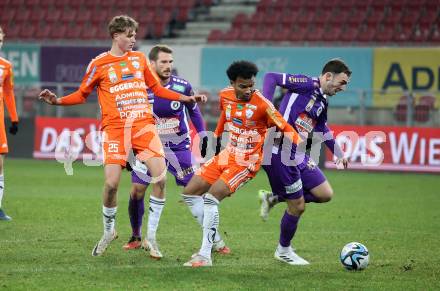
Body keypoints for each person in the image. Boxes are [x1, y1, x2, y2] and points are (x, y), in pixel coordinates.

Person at [38, 15, 206, 256]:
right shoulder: (99, 64)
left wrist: (185, 98)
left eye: (135, 35)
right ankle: (109, 231)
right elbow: (82, 94)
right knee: (111, 184)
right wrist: (58, 101)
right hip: (115, 129)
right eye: (129, 35)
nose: (134, 39)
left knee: (160, 179)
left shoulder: (139, 60)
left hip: (143, 127)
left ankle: (151, 238)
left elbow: (157, 89)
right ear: (116, 35)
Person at [181, 60, 302, 267]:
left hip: (247, 161)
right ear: (232, 83)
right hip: (228, 153)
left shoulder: (263, 104)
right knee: (189, 193)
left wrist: (300, 145)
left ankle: (205, 254)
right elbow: (225, 116)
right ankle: (217, 242)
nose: (248, 90)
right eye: (243, 86)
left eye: (251, 85)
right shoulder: (225, 95)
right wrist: (217, 136)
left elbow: (285, 126)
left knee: (210, 199)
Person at [122, 44, 229, 259]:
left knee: (194, 191)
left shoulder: (182, 87)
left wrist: (202, 136)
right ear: (151, 64)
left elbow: (195, 114)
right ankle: (136, 236)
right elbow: (128, 120)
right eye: (163, 62)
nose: (168, 66)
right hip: (148, 147)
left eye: (170, 62)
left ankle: (216, 240)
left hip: (178, 148)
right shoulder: (140, 88)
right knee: (136, 191)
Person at [258, 59, 351, 265]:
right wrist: (266, 106)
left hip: (296, 152)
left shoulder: (322, 101)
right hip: (278, 150)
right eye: (342, 82)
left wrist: (338, 153)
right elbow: (271, 77)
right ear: (328, 76)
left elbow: (322, 128)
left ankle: (273, 198)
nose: (343, 88)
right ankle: (283, 250)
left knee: (325, 194)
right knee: (298, 206)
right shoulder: (306, 84)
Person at [0, 26, 19, 221]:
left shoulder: (5, 66)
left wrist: (14, 118)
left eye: (0, 39)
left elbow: (8, 93)